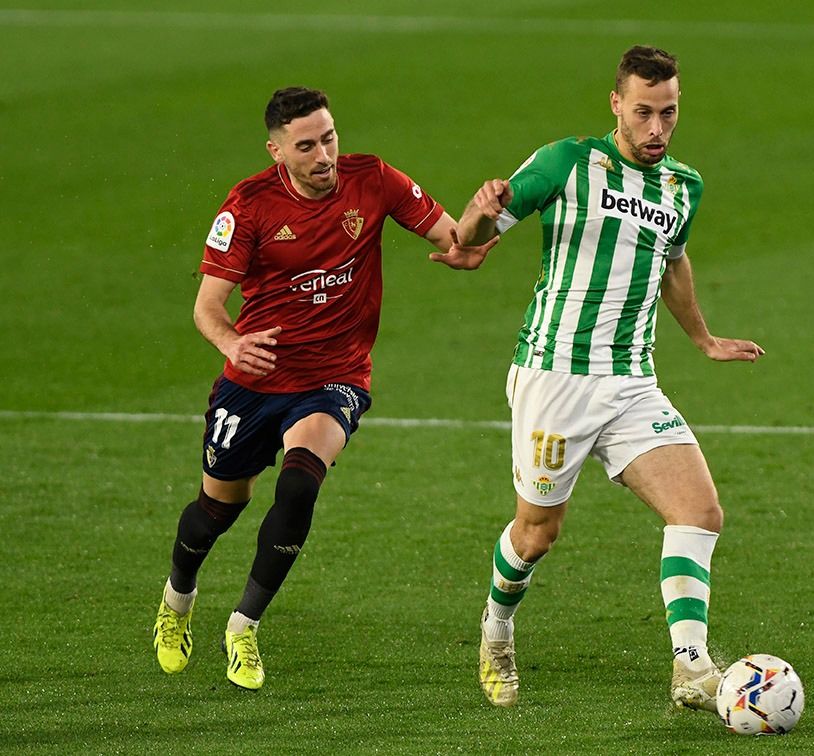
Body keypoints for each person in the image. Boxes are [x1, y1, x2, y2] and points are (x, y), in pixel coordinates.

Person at [435, 45, 765, 712]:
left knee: (699, 511)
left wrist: (701, 337)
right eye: (643, 113)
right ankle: (496, 628)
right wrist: (476, 212)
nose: (656, 130)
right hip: (555, 380)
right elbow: (469, 240)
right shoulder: (566, 162)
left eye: (668, 114)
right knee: (537, 534)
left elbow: (672, 262)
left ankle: (692, 668)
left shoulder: (682, 187)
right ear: (616, 104)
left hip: (632, 384)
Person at [152, 87, 495, 690]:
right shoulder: (250, 205)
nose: (324, 155)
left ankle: (243, 626)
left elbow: (453, 236)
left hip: (335, 377)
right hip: (255, 382)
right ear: (277, 151)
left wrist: (477, 226)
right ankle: (177, 601)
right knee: (215, 512)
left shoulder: (375, 180)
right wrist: (232, 343)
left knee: (299, 484)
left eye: (329, 137)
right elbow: (208, 306)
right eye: (306, 145)